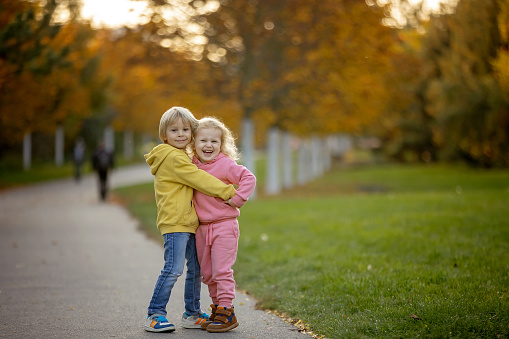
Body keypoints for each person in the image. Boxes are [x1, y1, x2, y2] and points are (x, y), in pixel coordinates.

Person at [143, 107, 237, 333]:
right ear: (164, 134)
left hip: (189, 223)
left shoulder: (182, 155)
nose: (181, 134)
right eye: (174, 130)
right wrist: (229, 192)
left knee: (195, 269)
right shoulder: (173, 157)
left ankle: (192, 313)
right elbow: (199, 178)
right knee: (173, 268)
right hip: (176, 223)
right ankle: (155, 313)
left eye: (186, 129)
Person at [191, 117, 256, 333]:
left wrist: (237, 199)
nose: (208, 146)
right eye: (203, 141)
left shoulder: (225, 164)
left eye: (214, 142)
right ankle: (218, 309)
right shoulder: (192, 166)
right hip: (202, 228)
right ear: (194, 142)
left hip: (225, 226)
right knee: (208, 273)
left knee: (221, 271)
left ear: (221, 144)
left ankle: (227, 311)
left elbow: (249, 178)